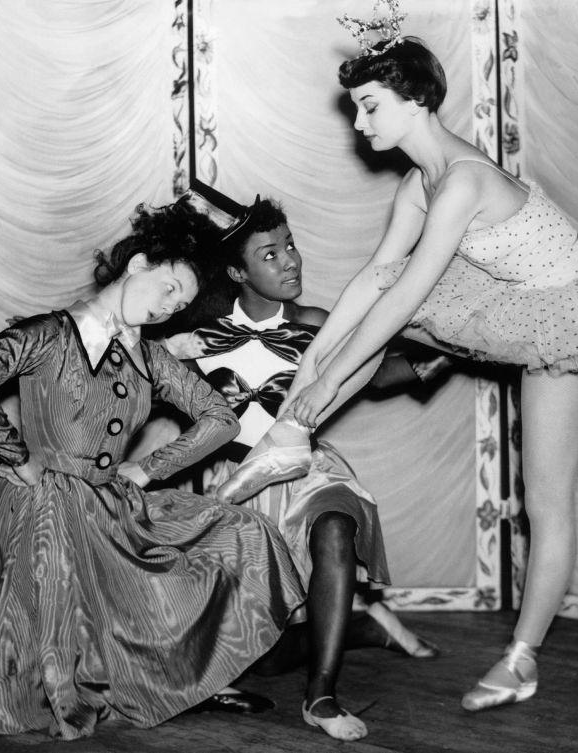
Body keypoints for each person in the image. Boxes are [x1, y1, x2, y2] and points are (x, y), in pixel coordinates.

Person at [227, 35, 578, 713]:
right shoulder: (421, 181)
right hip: (509, 297)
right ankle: (290, 438)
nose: (359, 123)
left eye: (370, 106)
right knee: (364, 313)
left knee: (544, 500)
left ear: (413, 102)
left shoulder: (464, 182)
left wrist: (326, 385)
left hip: (573, 315)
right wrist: (304, 387)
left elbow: (406, 295)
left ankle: (521, 659)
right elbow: (372, 280)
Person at [0, 199, 305, 739]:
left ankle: (188, 677)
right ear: (138, 265)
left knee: (240, 535)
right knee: (59, 637)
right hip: (47, 508)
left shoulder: (149, 356)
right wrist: (14, 456)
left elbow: (219, 417)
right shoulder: (50, 334)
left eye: (183, 303)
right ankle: (101, 688)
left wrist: (149, 469)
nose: (169, 308)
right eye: (169, 288)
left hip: (109, 500)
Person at [150, 194, 442, 741]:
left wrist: (458, 347)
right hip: (241, 481)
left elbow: (379, 373)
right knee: (264, 661)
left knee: (336, 527)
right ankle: (363, 627)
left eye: (290, 246)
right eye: (270, 253)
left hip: (308, 466)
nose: (290, 261)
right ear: (237, 270)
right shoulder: (198, 332)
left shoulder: (315, 323)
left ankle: (323, 696)